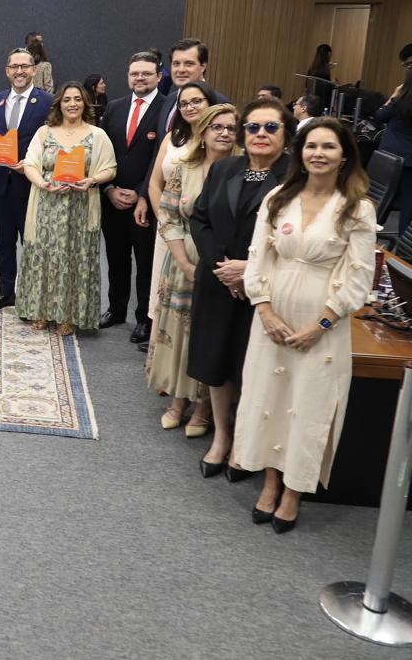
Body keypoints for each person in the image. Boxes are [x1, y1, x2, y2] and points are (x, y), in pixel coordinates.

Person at [235, 118, 376, 533]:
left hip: (323, 326)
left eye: (328, 147)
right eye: (311, 146)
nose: (318, 153)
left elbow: (360, 276)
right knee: (268, 398)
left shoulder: (357, 208)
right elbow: (258, 257)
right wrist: (264, 310)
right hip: (272, 320)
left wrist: (323, 322)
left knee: (309, 406)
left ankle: (295, 490)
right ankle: (270, 481)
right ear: (299, 153)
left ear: (344, 156)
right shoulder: (279, 198)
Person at [190, 97, 294, 480]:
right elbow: (200, 219)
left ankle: (247, 443)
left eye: (271, 127)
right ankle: (222, 437)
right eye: (252, 127)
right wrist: (222, 267)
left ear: (286, 134)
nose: (260, 135)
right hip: (219, 282)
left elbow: (298, 241)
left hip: (267, 289)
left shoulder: (295, 179)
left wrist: (249, 270)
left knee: (250, 365)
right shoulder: (224, 169)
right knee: (216, 362)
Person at [147, 103, 239, 435]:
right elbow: (169, 217)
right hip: (182, 262)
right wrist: (185, 264)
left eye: (231, 128)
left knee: (209, 335)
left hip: (223, 267)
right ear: (204, 131)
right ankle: (177, 401)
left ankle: (203, 409)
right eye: (217, 127)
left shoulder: (242, 170)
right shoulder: (185, 168)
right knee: (180, 333)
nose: (225, 133)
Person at [14, 81, 117, 334]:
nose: (72, 104)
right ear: (59, 103)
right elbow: (30, 164)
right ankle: (41, 311)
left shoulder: (97, 135)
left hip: (80, 207)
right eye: (67, 99)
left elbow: (110, 168)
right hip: (46, 206)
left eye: (77, 99)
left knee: (73, 258)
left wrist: (92, 180)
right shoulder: (44, 132)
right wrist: (42, 184)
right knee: (43, 256)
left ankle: (68, 315)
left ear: (85, 103)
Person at [138, 80, 220, 351]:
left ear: (210, 104)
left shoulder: (219, 140)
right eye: (184, 103)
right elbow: (154, 182)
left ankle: (187, 357)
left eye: (197, 101)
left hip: (201, 231)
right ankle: (159, 356)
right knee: (162, 291)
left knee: (192, 293)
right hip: (169, 227)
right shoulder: (173, 138)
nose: (190, 107)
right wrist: (164, 217)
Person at [99, 51, 173, 343]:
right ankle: (116, 309)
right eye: (134, 74)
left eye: (146, 73)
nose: (139, 78)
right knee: (115, 258)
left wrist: (141, 193)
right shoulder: (114, 108)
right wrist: (109, 189)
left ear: (158, 76)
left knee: (145, 263)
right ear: (128, 76)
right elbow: (102, 154)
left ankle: (144, 317)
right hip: (112, 197)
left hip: (146, 203)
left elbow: (160, 158)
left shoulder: (168, 109)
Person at [0, 48, 54, 311]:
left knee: (32, 243)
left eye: (25, 66)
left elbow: (54, 144)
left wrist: (33, 166)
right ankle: (6, 292)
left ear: (33, 69)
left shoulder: (48, 102)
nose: (19, 71)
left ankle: (34, 296)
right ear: (7, 71)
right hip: (0, 184)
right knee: (4, 243)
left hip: (31, 186)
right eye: (14, 67)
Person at [373, 68, 412, 234]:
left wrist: (394, 96)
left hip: (388, 157)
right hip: (410, 160)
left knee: (380, 198)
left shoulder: (400, 100)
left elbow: (380, 115)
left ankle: (368, 233)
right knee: (408, 205)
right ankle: (405, 252)